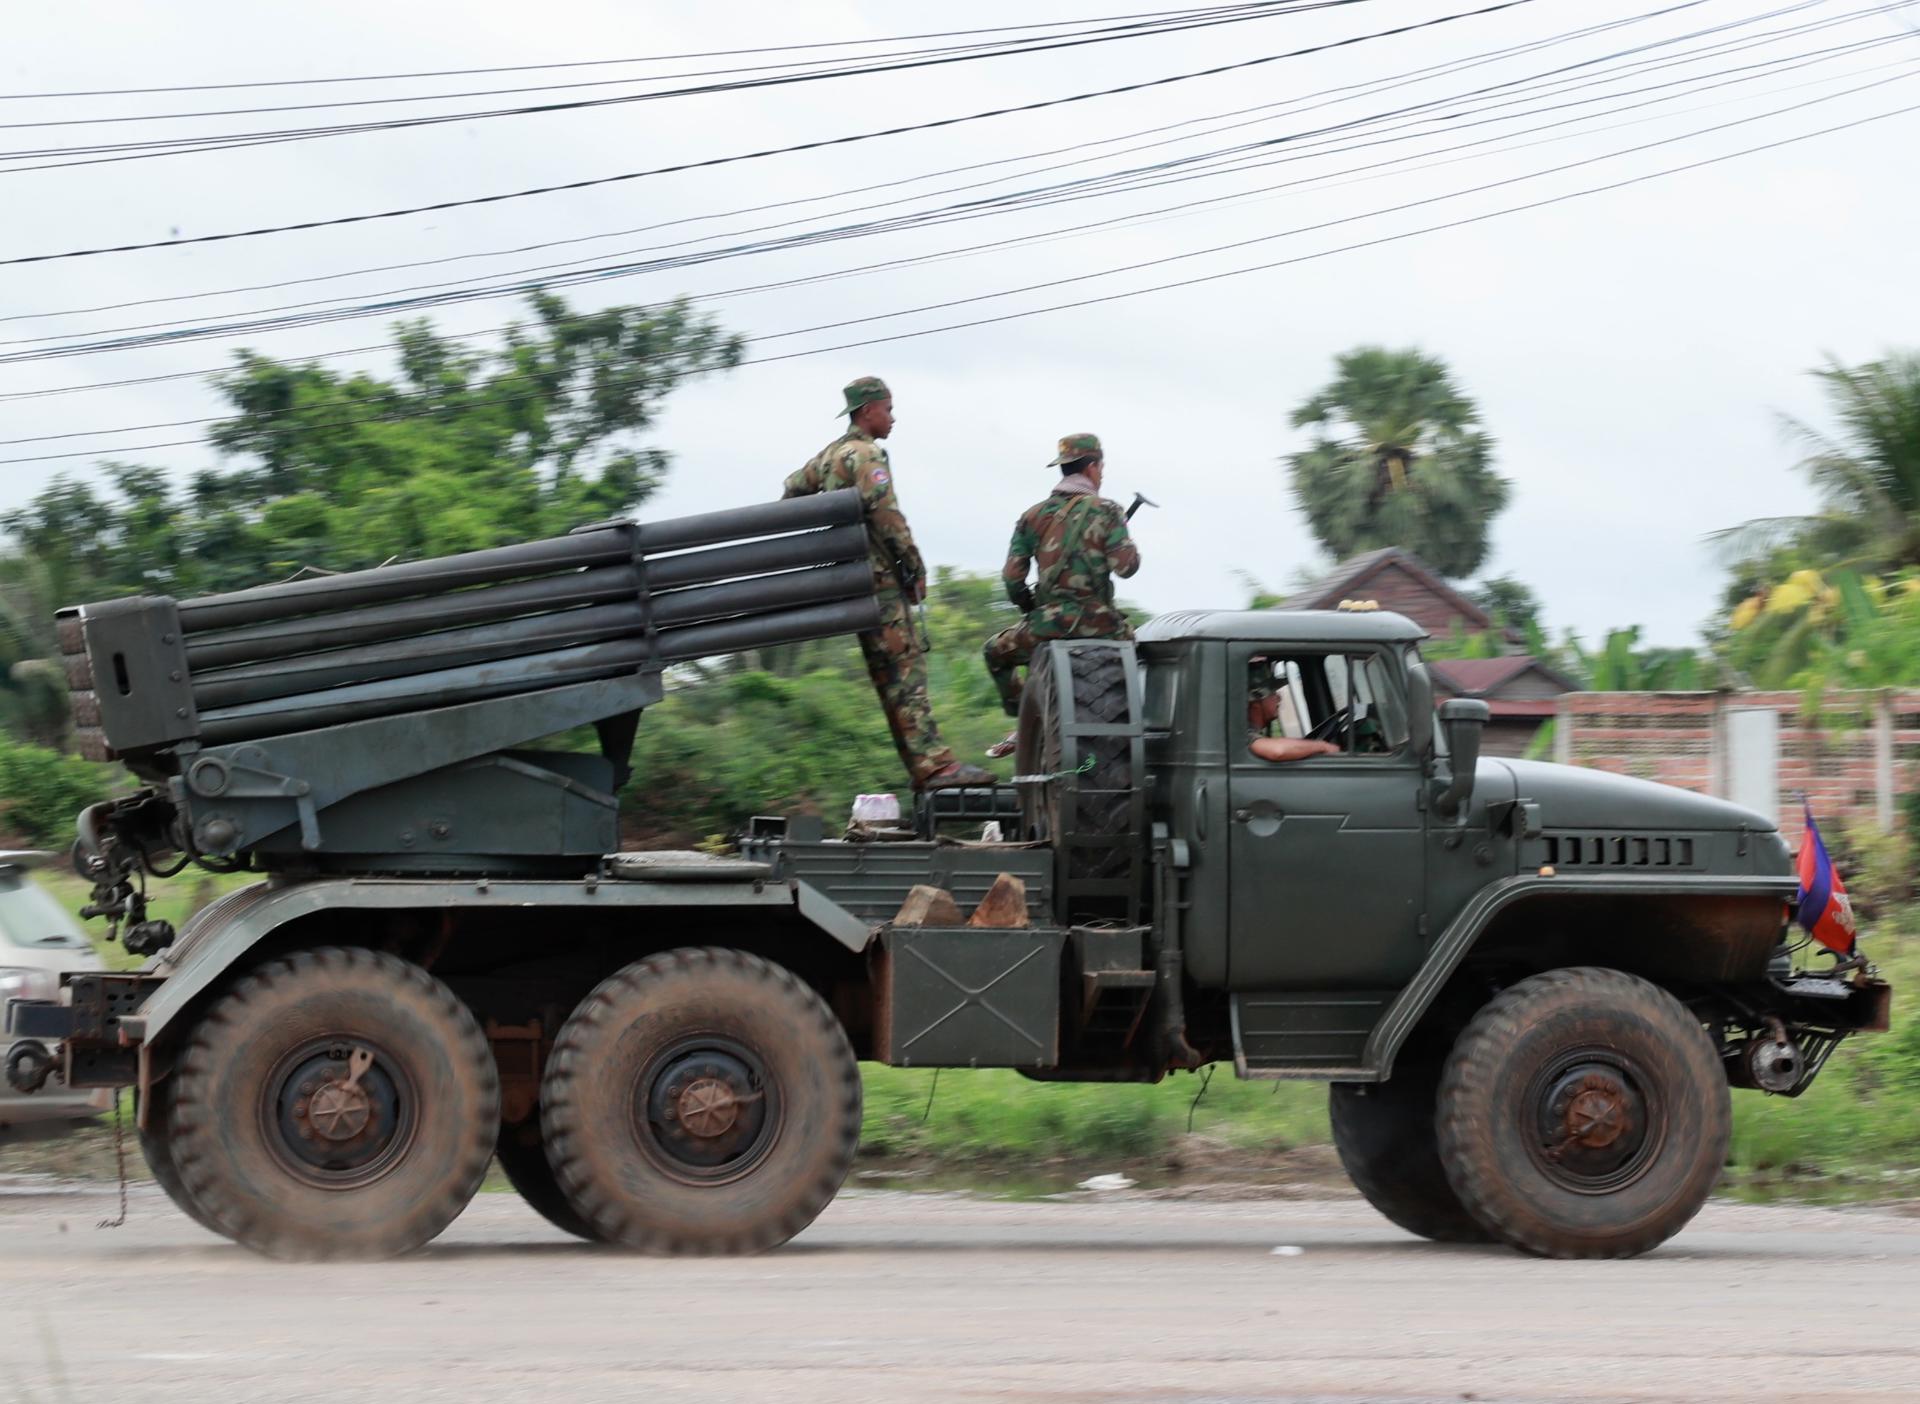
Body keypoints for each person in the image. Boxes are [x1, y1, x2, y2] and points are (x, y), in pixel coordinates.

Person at [783, 376, 992, 791]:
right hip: (879, 583)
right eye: (888, 409)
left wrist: (824, 542)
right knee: (906, 672)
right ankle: (935, 767)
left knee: (886, 677)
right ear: (867, 411)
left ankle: (924, 770)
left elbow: (791, 491)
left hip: (848, 582)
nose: (893, 418)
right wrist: (914, 568)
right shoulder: (866, 455)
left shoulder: (829, 457)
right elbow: (888, 518)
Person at [982, 433, 1140, 755]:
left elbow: (1012, 578)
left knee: (994, 653)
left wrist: (1032, 608)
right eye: (1101, 468)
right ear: (1093, 467)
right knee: (1143, 654)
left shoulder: (1032, 516)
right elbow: (1126, 568)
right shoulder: (1108, 510)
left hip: (1045, 626)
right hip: (1102, 625)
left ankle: (1025, 719)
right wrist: (1123, 534)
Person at [1246, 674, 1341, 763]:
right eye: (1273, 693)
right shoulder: (1242, 733)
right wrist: (1323, 746)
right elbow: (1278, 751)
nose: (1279, 698)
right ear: (1256, 704)